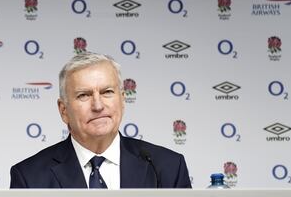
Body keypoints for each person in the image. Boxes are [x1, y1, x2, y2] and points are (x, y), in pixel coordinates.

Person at [10, 52, 191, 189]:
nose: (98, 105)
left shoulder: (168, 167)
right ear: (63, 110)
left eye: (107, 92)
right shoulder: (29, 177)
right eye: (84, 95)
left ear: (122, 100)